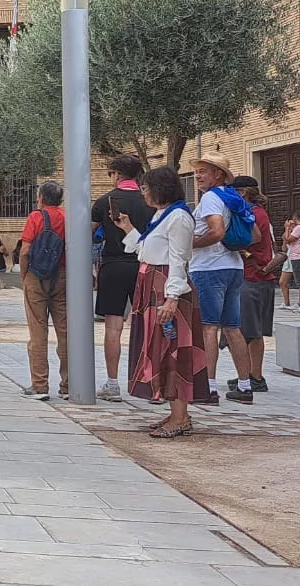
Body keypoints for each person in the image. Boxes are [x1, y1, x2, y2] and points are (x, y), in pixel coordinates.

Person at [114, 167, 208, 438]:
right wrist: (130, 230)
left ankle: (180, 417)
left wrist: (172, 298)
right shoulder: (162, 216)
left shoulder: (178, 217)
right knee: (160, 348)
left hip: (166, 289)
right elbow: (148, 250)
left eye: (146, 188)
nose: (143, 193)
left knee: (172, 348)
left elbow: (178, 259)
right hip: (153, 287)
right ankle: (177, 412)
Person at [189, 153, 254, 400]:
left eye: (203, 171)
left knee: (208, 327)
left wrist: (192, 244)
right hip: (233, 266)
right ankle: (245, 386)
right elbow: (255, 235)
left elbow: (216, 231)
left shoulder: (211, 199)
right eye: (197, 171)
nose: (197, 175)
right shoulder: (235, 198)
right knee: (233, 328)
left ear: (218, 174)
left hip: (208, 268)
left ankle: (209, 386)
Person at [91, 155, 153, 402]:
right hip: (144, 265)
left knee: (113, 326)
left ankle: (112, 383)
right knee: (148, 325)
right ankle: (150, 382)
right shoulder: (150, 201)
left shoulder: (104, 201)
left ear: (116, 174)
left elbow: (88, 231)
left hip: (114, 265)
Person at [19, 181, 70, 399]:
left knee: (38, 330)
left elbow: (25, 250)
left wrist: (24, 275)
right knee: (65, 330)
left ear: (40, 197)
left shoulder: (36, 217)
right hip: (63, 276)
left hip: (37, 277)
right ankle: (69, 384)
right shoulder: (68, 217)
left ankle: (40, 384)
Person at [232, 175, 277, 402]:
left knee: (251, 331)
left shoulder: (254, 214)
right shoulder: (257, 212)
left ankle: (255, 376)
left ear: (242, 193)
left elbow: (247, 240)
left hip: (254, 276)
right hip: (253, 276)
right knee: (248, 329)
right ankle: (249, 373)